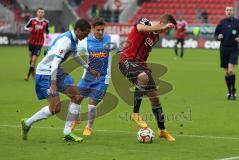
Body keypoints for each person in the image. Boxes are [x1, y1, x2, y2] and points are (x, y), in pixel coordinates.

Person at [21, 19, 97, 142]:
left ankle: (67, 133)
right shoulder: (66, 41)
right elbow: (55, 62)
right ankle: (27, 122)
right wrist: (53, 84)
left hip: (57, 70)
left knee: (77, 96)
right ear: (78, 30)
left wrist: (89, 69)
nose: (87, 36)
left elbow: (75, 55)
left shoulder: (74, 39)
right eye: (86, 33)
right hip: (45, 73)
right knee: (55, 109)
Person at [119, 14, 176, 142]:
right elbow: (140, 29)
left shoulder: (155, 36)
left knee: (155, 97)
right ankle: (135, 114)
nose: (165, 31)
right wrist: (161, 27)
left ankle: (162, 130)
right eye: (166, 28)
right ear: (161, 22)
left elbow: (144, 53)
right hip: (127, 61)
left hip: (140, 65)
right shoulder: (144, 21)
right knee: (143, 78)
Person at [70, 18, 111, 136]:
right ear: (92, 29)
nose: (100, 32)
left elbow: (119, 51)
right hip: (87, 77)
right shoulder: (85, 41)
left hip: (102, 78)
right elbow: (74, 52)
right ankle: (76, 119)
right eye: (98, 30)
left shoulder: (109, 40)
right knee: (76, 98)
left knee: (91, 104)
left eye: (102, 30)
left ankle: (88, 127)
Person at [214, 6, 239, 100]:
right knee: (226, 73)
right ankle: (230, 91)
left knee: (230, 70)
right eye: (227, 10)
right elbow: (216, 34)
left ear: (233, 12)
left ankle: (233, 92)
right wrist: (218, 37)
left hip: (234, 49)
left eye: (230, 10)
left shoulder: (237, 22)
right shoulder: (221, 23)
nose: (229, 11)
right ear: (225, 12)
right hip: (224, 49)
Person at [24, 8, 49, 81]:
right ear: (37, 13)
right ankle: (33, 72)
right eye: (39, 12)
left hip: (39, 43)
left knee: (34, 59)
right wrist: (28, 29)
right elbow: (25, 27)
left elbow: (47, 30)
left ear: (44, 14)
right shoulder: (32, 20)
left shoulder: (46, 22)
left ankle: (27, 75)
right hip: (31, 42)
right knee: (31, 59)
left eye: (42, 12)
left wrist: (47, 35)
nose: (41, 13)